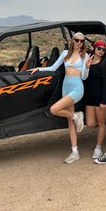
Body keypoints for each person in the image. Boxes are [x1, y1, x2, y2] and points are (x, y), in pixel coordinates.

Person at [31, 32, 90, 164]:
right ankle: (75, 152)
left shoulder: (84, 56)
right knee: (70, 122)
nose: (79, 43)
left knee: (54, 109)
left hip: (77, 87)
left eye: (82, 41)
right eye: (77, 40)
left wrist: (86, 67)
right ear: (73, 41)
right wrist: (39, 69)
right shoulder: (65, 54)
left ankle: (77, 116)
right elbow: (53, 68)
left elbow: (84, 77)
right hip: (66, 86)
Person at [83, 40, 106, 159]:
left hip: (100, 97)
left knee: (100, 125)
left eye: (103, 50)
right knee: (90, 124)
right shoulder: (87, 60)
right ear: (94, 49)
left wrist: (104, 101)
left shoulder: (104, 64)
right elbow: (84, 78)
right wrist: (87, 67)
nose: (101, 51)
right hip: (89, 98)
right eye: (99, 48)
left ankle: (98, 148)